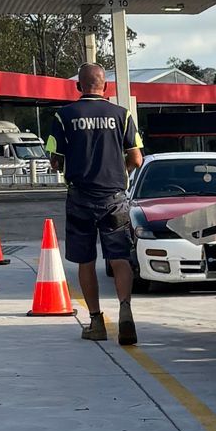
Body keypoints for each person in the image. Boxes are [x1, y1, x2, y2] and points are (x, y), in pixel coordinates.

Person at [53, 62, 143, 344]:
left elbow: (55, 159)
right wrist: (120, 172)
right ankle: (125, 310)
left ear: (78, 86)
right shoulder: (122, 114)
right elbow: (137, 158)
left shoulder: (64, 116)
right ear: (105, 87)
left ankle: (96, 322)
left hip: (80, 197)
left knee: (85, 260)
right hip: (114, 198)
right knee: (119, 258)